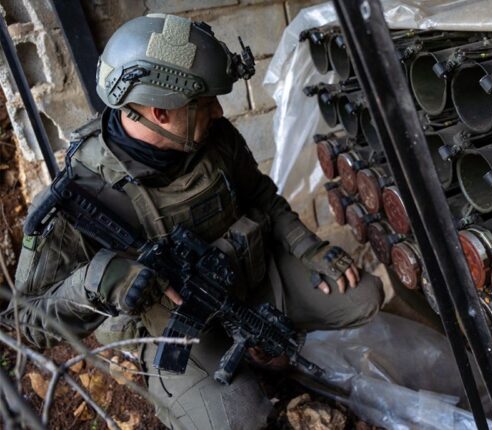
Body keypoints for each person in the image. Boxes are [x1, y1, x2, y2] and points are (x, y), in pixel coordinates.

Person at [2, 13, 384, 429]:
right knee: (240, 420)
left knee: (362, 296)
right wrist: (95, 282)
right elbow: (27, 322)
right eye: (203, 104)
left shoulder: (212, 138)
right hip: (175, 330)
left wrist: (311, 247)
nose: (219, 112)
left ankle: (259, 352)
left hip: (247, 281)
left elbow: (261, 195)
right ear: (159, 112)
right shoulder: (82, 193)